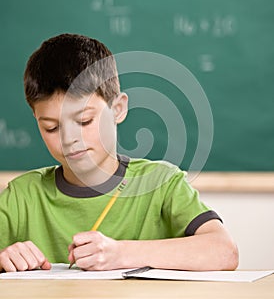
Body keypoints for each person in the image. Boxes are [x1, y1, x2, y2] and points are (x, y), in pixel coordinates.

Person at [0, 33, 238, 273]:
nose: (69, 139)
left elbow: (225, 252)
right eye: (51, 127)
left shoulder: (160, 183)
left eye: (84, 121)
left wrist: (122, 254)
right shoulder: (21, 197)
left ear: (118, 109)